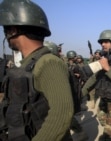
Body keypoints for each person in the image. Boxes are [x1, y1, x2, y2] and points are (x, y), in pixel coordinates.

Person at [0, 0, 74, 141]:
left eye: (6, 29)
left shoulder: (48, 63)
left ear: (14, 30)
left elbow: (62, 113)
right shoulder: (26, 65)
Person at [82, 29, 111, 141]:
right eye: (101, 42)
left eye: (106, 42)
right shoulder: (103, 59)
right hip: (103, 100)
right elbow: (93, 78)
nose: (102, 44)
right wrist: (80, 93)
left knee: (109, 133)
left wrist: (107, 68)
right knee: (105, 126)